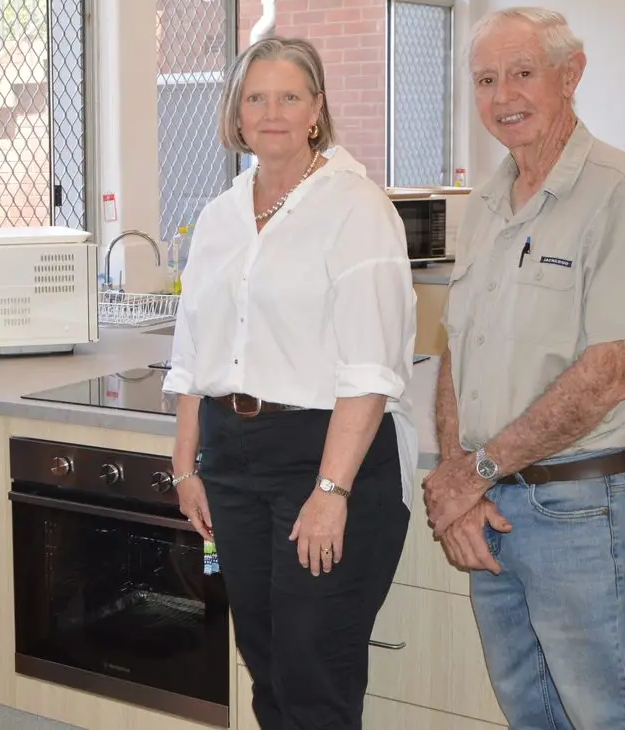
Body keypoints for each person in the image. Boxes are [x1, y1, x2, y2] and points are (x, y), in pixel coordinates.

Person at [163, 36, 418, 729]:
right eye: (255, 97)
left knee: (314, 674)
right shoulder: (219, 216)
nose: (269, 112)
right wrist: (185, 467)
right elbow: (194, 350)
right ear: (236, 114)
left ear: (316, 111)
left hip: (323, 457)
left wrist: (330, 493)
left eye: (288, 97)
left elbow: (370, 368)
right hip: (232, 460)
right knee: (265, 662)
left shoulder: (356, 209)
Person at [423, 7, 625, 729]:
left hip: (580, 512)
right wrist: (454, 477)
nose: (503, 97)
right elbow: (453, 354)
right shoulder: (488, 203)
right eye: (486, 80)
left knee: (606, 718)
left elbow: (608, 376)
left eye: (522, 74)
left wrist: (473, 473)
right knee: (529, 714)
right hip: (493, 503)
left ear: (571, 74)